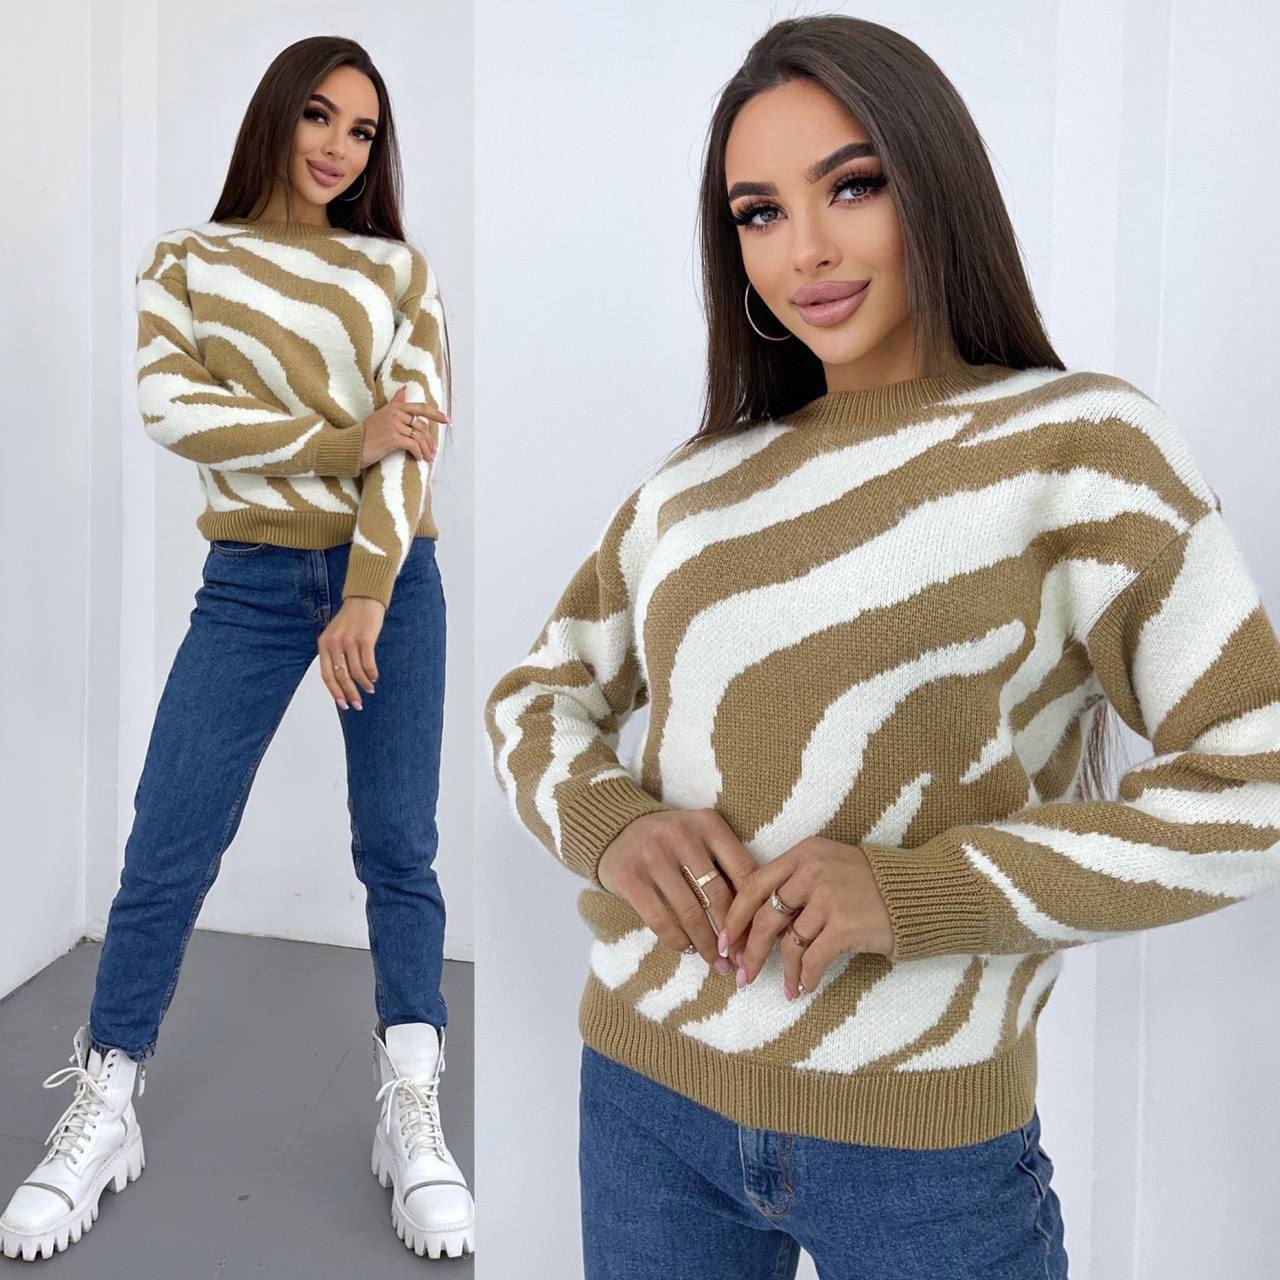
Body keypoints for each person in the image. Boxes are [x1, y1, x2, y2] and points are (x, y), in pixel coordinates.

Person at [482, 14, 1280, 1279]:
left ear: (932, 177)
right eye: (757, 212)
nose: (804, 249)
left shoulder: (1078, 446)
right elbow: (537, 692)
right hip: (643, 1097)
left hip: (926, 1149)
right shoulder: (699, 483)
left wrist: (912, 892)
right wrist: (610, 822)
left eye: (850, 185)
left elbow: (1253, 783)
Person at [0, 36, 473, 1263]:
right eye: (317, 116)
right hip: (253, 581)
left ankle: (409, 1111)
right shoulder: (189, 264)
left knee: (397, 844)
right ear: (275, 116)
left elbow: (413, 446)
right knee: (171, 838)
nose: (336, 147)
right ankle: (105, 1103)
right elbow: (176, 410)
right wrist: (346, 433)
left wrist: (367, 588)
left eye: (362, 131)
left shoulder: (397, 269)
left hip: (391, 579)